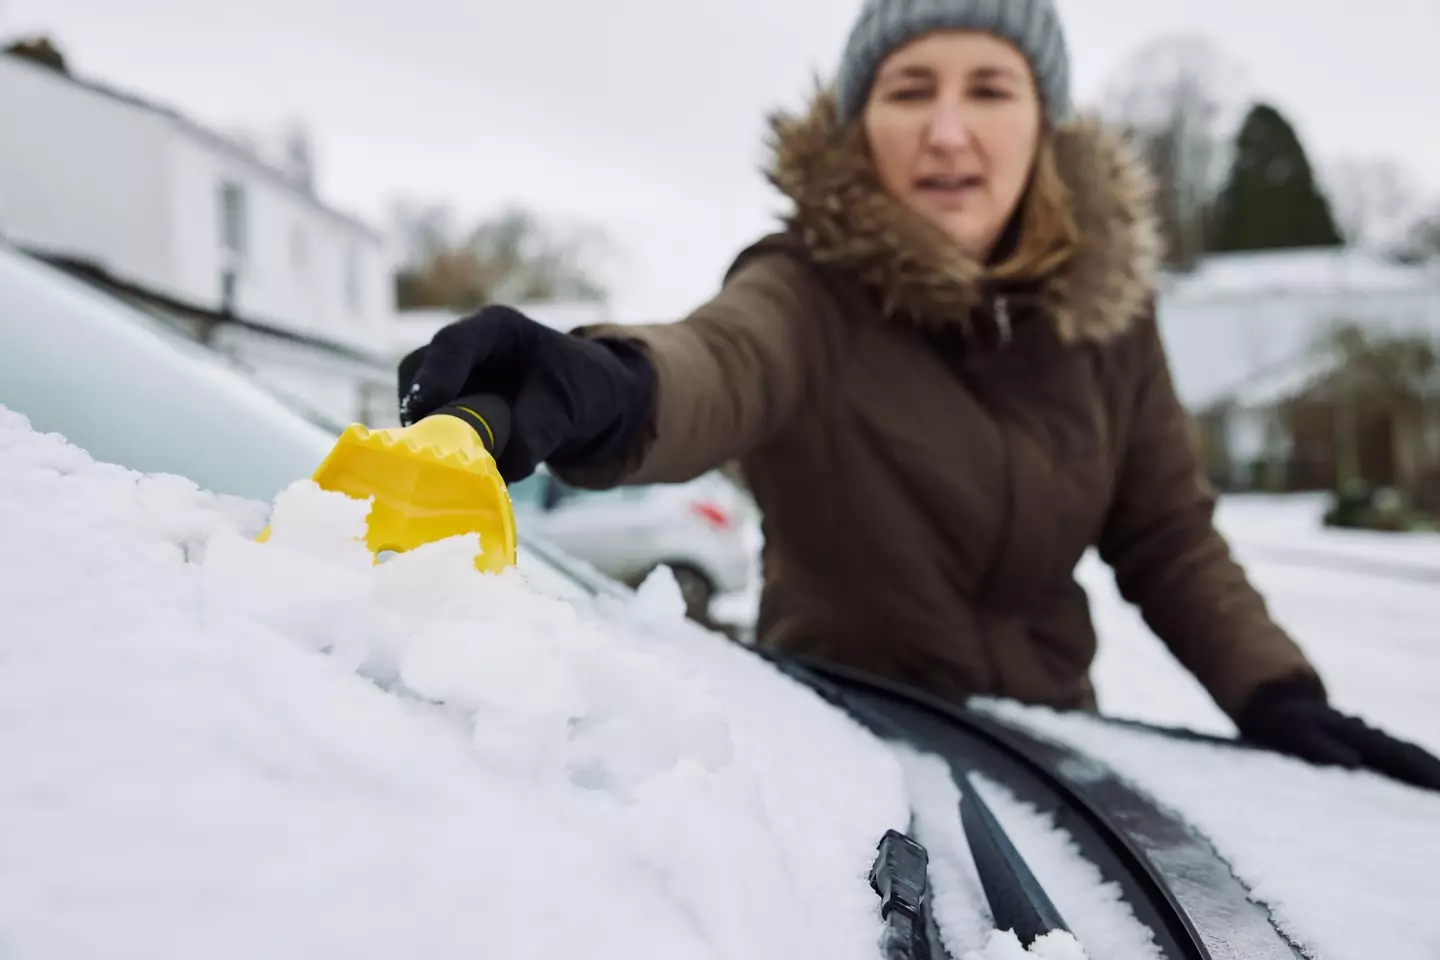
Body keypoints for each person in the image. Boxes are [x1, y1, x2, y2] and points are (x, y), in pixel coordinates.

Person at [397, 0, 1440, 791]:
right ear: (861, 125)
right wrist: (614, 384)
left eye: (990, 87)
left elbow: (1169, 538)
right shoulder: (806, 293)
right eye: (909, 89)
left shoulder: (1111, 322)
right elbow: (721, 361)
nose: (949, 130)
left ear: (1045, 121)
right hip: (849, 758)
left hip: (1061, 768)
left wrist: (1276, 693)